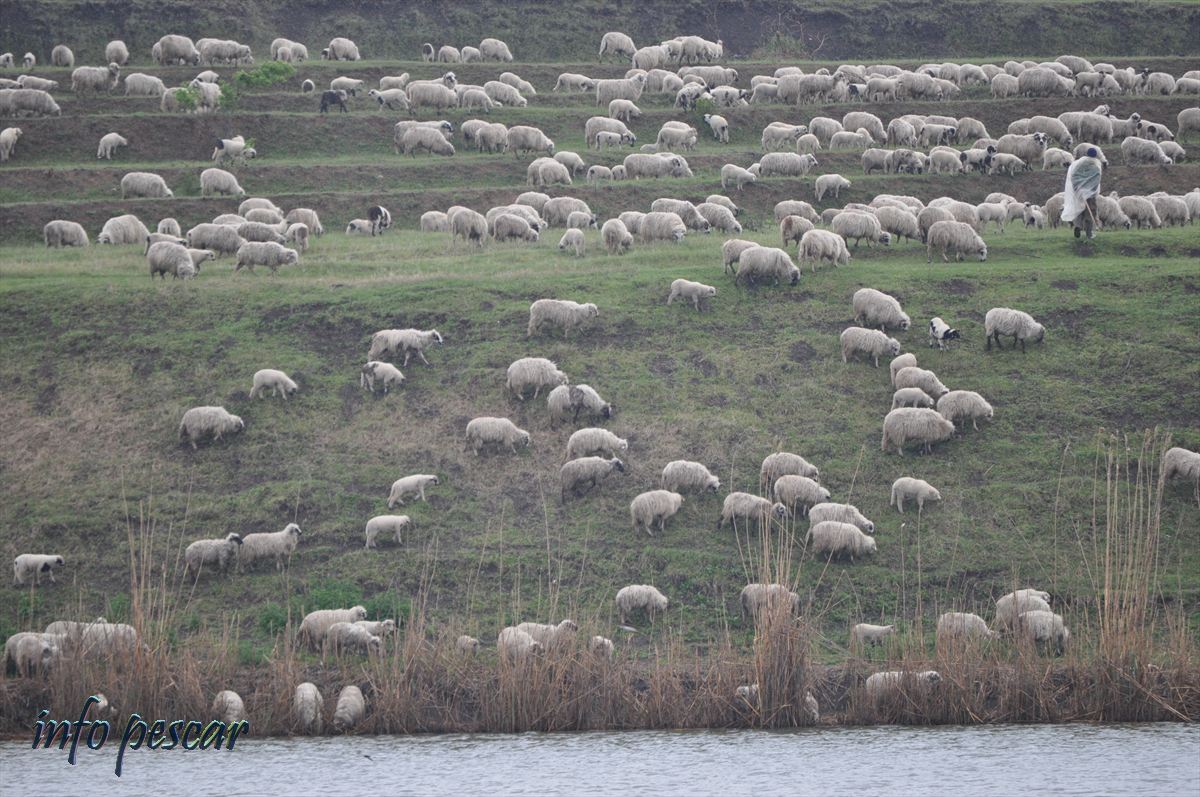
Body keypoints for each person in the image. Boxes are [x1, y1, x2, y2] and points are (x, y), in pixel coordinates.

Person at [1061, 147, 1104, 239]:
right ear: (1095, 155)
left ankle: (1078, 226)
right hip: (1090, 194)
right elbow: (1096, 179)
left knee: (1079, 209)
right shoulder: (1095, 165)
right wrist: (1091, 191)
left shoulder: (1079, 163)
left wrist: (1077, 188)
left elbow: (1073, 176)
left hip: (1079, 193)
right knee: (1090, 211)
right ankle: (1089, 233)